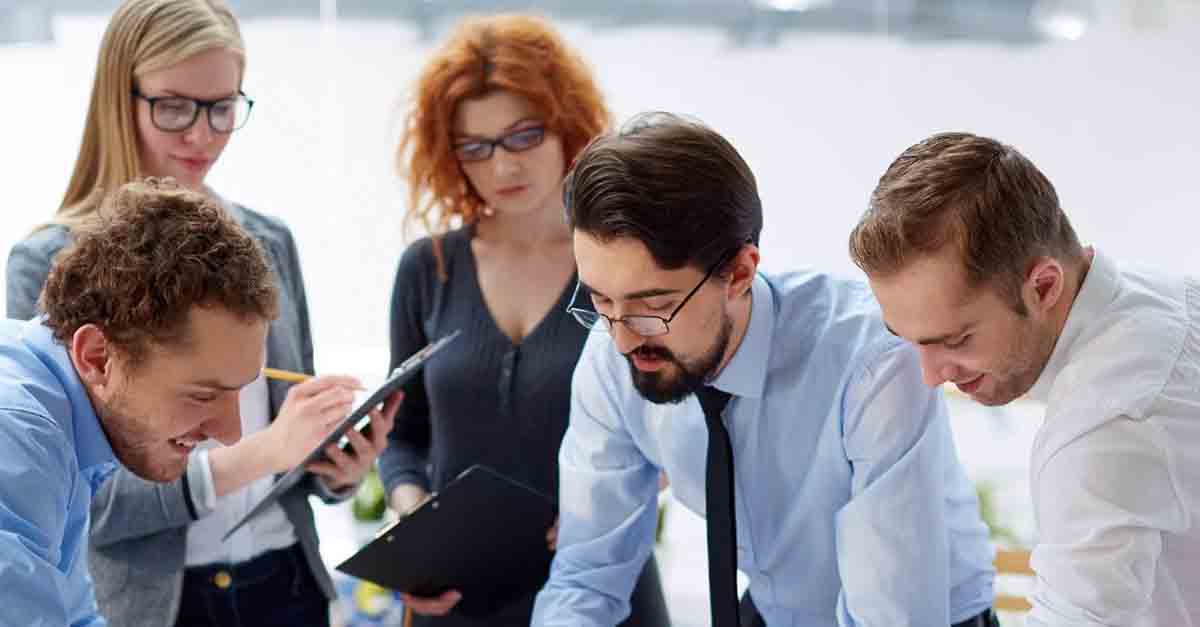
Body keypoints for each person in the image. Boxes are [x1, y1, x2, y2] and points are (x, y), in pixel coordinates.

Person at [4, 2, 398, 625]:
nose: (201, 134)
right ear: (119, 98)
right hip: (159, 603)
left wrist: (333, 464)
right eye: (175, 107)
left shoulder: (266, 243)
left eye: (221, 108)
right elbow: (91, 496)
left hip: (285, 579)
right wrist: (263, 453)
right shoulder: (51, 265)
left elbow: (290, 442)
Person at [531, 112, 1000, 627]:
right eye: (600, 300)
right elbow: (586, 577)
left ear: (739, 273)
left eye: (653, 306)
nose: (622, 338)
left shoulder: (873, 362)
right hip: (779, 611)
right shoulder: (611, 355)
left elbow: (893, 614)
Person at [377, 14, 668, 626]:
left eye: (523, 136)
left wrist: (605, 506)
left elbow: (678, 428)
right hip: (459, 596)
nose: (503, 166)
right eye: (475, 147)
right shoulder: (429, 270)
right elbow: (402, 435)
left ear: (567, 127)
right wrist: (409, 512)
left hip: (602, 586)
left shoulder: (625, 264)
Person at [851, 131, 1200, 626]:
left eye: (955, 340)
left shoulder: (1105, 429)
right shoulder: (1163, 297)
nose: (930, 376)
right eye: (908, 339)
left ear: (1043, 286)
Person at [0, 179, 279, 625]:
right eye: (203, 394)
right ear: (97, 357)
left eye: (239, 392)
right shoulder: (15, 435)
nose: (231, 434)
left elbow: (74, 616)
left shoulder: (72, 416)